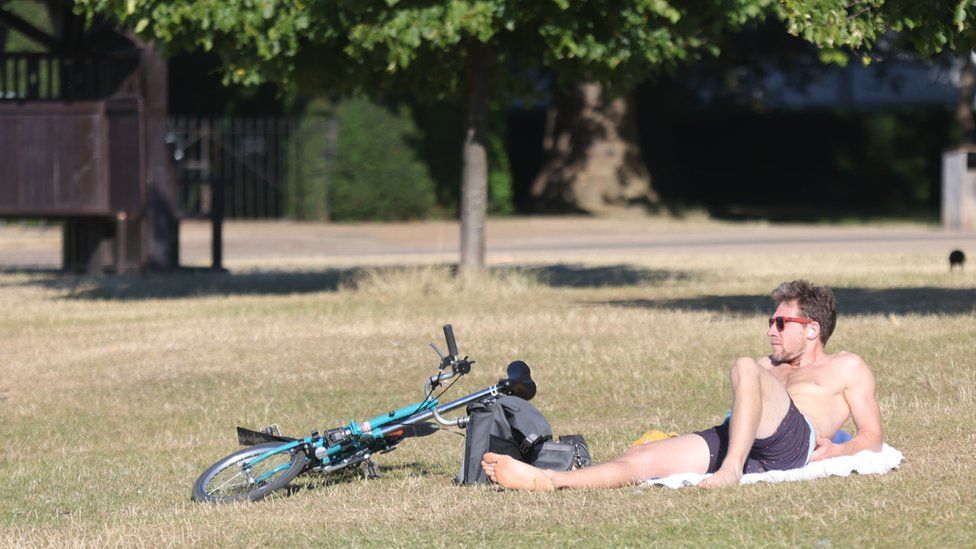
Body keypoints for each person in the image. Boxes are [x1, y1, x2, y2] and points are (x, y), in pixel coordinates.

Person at [481, 280, 884, 490]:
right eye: (769, 321)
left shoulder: (846, 366)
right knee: (644, 458)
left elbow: (873, 438)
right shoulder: (768, 367)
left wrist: (841, 449)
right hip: (743, 441)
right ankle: (550, 482)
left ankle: (729, 472)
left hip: (792, 444)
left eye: (781, 323)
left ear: (813, 330)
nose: (771, 331)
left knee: (746, 366)